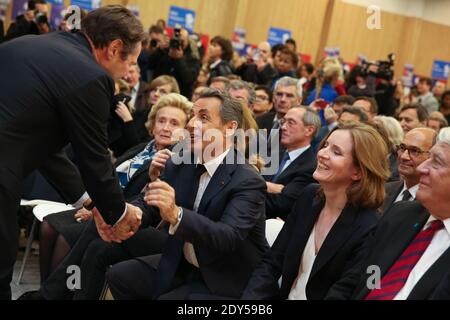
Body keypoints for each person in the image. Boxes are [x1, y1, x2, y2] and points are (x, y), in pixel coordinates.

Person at [0, 6, 145, 300]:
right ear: (115, 48)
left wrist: (89, 200)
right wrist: (116, 214)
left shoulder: (27, 44)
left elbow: (41, 145)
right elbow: (94, 158)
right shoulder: (92, 77)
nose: (129, 71)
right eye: (131, 61)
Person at [106, 89, 269, 300]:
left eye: (203, 117)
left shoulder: (248, 180)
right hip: (183, 263)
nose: (191, 123)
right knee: (119, 276)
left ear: (230, 128)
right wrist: (129, 212)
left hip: (226, 277)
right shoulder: (180, 162)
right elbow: (152, 205)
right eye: (193, 115)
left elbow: (227, 237)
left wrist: (176, 214)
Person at [242, 122, 389, 300]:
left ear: (358, 172)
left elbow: (344, 293)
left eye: (336, 152)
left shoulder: (369, 226)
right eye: (325, 145)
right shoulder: (309, 196)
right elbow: (273, 262)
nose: (322, 154)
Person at [327, 127, 450, 300]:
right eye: (402, 148)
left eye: (436, 162)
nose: (422, 168)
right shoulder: (401, 215)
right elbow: (361, 278)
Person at [264, 107, 319, 220]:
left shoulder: (311, 167)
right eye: (284, 122)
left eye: (291, 123)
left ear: (309, 130)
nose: (283, 127)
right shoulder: (274, 155)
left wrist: (257, 185)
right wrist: (270, 187)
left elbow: (282, 204)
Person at [380, 128, 436, 213]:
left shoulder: (435, 202)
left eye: (414, 151)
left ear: (433, 156)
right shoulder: (383, 191)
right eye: (402, 148)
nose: (403, 156)